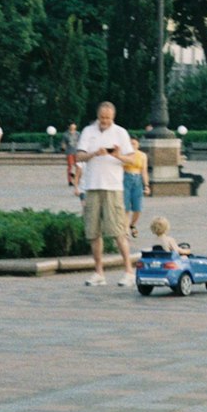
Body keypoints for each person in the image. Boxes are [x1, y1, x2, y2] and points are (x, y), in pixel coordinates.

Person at [75, 101, 136, 287]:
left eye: (108, 118)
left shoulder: (120, 132)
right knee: (93, 232)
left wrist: (117, 155)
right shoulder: (88, 131)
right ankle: (98, 272)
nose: (105, 121)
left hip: (113, 187)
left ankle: (128, 271)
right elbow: (79, 156)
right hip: (92, 186)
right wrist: (93, 153)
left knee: (118, 230)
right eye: (102, 117)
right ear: (97, 115)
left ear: (113, 117)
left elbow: (131, 158)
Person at [122, 135, 150, 238]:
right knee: (126, 207)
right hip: (126, 178)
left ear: (138, 144)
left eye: (134, 143)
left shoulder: (142, 155)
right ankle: (125, 230)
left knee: (138, 208)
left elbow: (144, 171)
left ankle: (132, 224)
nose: (132, 145)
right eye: (130, 143)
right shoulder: (124, 154)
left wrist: (146, 185)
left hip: (137, 179)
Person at [61, 122, 80, 187]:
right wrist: (63, 147)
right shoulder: (65, 134)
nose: (73, 127)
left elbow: (80, 142)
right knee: (70, 167)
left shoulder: (78, 134)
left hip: (77, 152)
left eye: (74, 126)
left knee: (78, 166)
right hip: (69, 152)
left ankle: (77, 179)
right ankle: (70, 181)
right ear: (69, 127)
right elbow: (63, 143)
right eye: (71, 126)